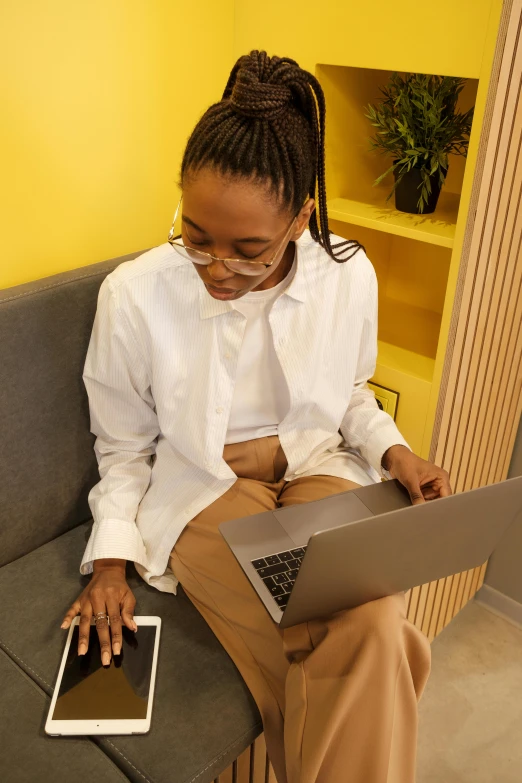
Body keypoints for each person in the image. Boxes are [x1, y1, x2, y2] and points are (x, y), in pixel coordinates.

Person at [61, 50, 452, 783]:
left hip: (318, 464)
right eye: (196, 235)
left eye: (249, 251)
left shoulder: (348, 273)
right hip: (204, 490)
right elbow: (122, 448)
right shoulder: (135, 295)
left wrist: (396, 452)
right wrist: (110, 559)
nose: (215, 268)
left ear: (300, 217)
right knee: (380, 636)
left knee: (366, 619)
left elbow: (349, 395)